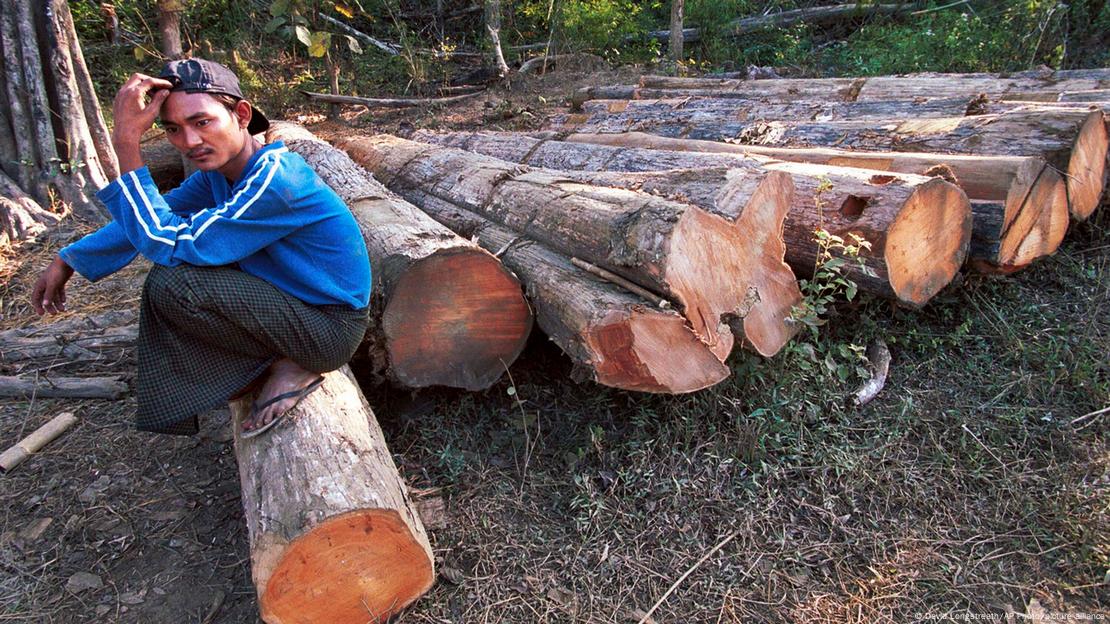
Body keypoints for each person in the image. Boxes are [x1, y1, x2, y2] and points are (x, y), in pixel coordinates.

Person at [30, 58, 371, 438]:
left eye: (202, 122)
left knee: (177, 283)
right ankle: (256, 365)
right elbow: (159, 215)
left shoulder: (275, 180)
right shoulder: (220, 177)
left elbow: (168, 243)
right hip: (292, 310)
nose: (189, 142)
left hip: (328, 329)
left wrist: (126, 143)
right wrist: (70, 257)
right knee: (177, 279)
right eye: (173, 129)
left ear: (241, 115)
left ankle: (291, 364)